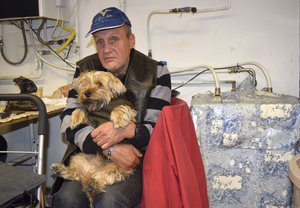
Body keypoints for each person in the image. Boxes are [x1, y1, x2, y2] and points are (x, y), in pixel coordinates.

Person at [51, 7, 172, 208]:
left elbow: (156, 128)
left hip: (135, 163)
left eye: (114, 39)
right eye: (100, 42)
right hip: (90, 157)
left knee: (109, 200)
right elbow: (69, 123)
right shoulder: (84, 69)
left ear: (131, 40)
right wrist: (110, 149)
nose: (106, 49)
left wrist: (129, 130)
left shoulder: (156, 72)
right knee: (66, 199)